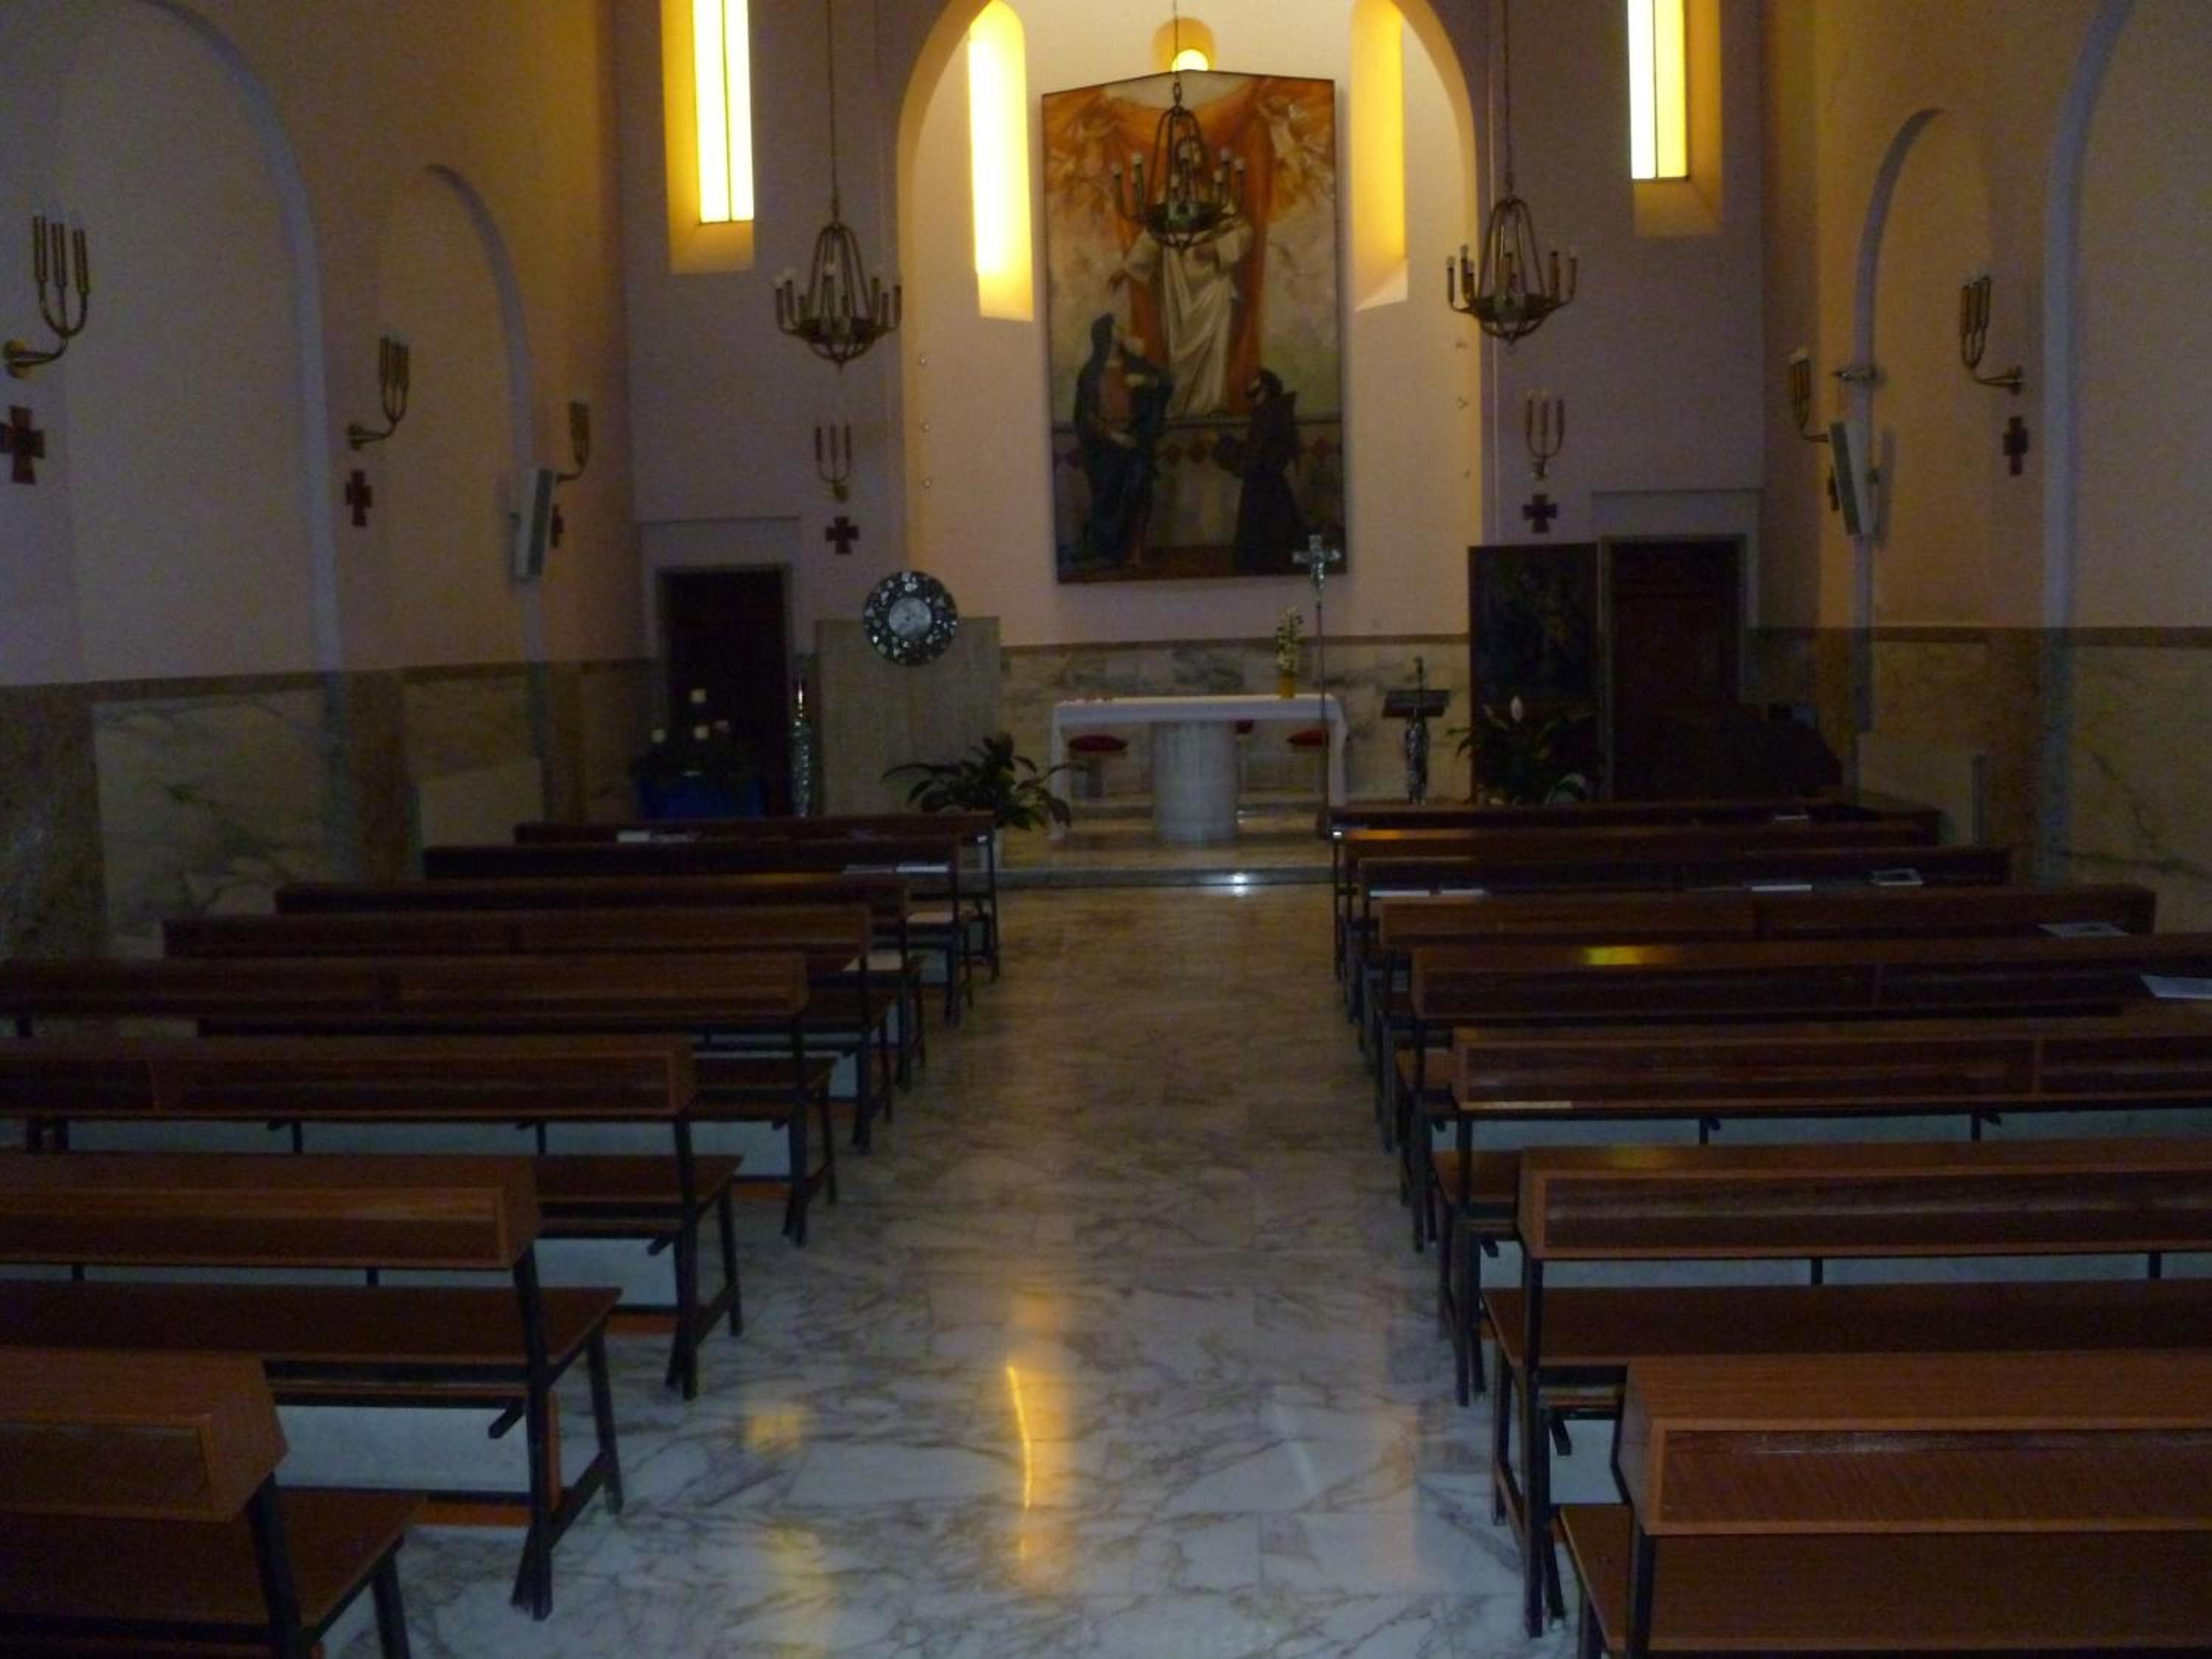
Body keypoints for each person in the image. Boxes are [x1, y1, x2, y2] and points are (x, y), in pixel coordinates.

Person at [1113, 198, 1255, 419]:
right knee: (1178, 346)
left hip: (1214, 285)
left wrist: (1217, 248)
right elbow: (1153, 233)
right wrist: (1127, 268)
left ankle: (1212, 406)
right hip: (1177, 285)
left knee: (1213, 346)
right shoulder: (1169, 196)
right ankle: (1180, 408)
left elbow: (1245, 233)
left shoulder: (1219, 197)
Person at [1071, 313, 1171, 570]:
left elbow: (1166, 384)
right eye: (1116, 326)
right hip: (1106, 449)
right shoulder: (1091, 373)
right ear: (1105, 334)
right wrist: (1113, 436)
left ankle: (1135, 552)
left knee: (1139, 494)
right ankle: (1108, 551)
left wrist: (1145, 381)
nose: (1122, 328)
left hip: (1136, 444)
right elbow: (1085, 417)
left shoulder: (1136, 366)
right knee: (1109, 500)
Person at [1216, 367, 1306, 573]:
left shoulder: (1269, 417)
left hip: (1263, 491)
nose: (1252, 399)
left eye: (1256, 393)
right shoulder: (1275, 414)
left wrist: (1221, 444)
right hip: (1270, 488)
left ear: (1266, 390)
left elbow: (1252, 460)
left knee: (1264, 553)